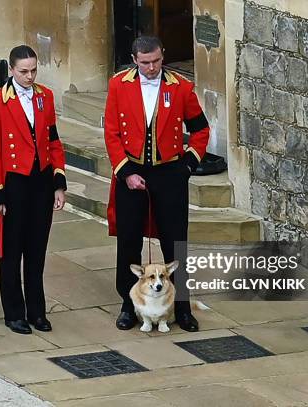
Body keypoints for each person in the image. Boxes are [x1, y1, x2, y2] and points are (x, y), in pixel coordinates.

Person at [104, 36, 210, 332]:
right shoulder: (118, 85)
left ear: (163, 56)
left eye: (156, 61)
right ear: (134, 59)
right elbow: (112, 133)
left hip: (168, 175)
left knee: (176, 244)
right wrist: (125, 172)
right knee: (129, 242)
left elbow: (201, 129)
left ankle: (182, 308)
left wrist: (187, 165)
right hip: (131, 172)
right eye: (145, 62)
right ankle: (128, 305)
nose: (151, 68)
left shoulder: (181, 87)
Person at [0, 45, 67, 335]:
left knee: (36, 250)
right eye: (23, 71)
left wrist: (58, 183)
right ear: (11, 70)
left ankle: (37, 312)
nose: (30, 77)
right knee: (12, 251)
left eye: (33, 70)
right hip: (13, 183)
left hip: (41, 181)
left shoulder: (46, 97)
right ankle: (14, 313)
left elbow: (53, 140)